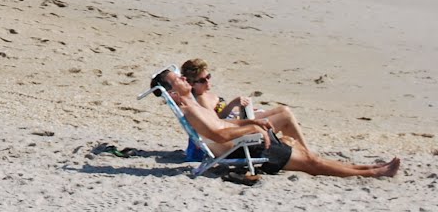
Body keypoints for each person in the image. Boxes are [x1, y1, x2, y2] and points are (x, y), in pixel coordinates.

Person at [149, 69, 398, 178]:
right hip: (245, 147)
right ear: (172, 92)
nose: (184, 78)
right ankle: (375, 172)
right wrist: (254, 129)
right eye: (178, 79)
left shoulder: (193, 104)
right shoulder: (191, 110)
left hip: (246, 141)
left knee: (310, 159)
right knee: (312, 164)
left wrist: (254, 123)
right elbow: (220, 134)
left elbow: (222, 125)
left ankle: (366, 167)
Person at [181, 58, 312, 155]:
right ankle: (305, 152)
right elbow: (217, 123)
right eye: (203, 80)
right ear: (192, 84)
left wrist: (240, 108)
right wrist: (232, 104)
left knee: (284, 109)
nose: (208, 81)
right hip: (237, 131)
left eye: (208, 76)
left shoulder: (205, 93)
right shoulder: (200, 99)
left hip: (238, 120)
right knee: (285, 116)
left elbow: (220, 115)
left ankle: (303, 150)